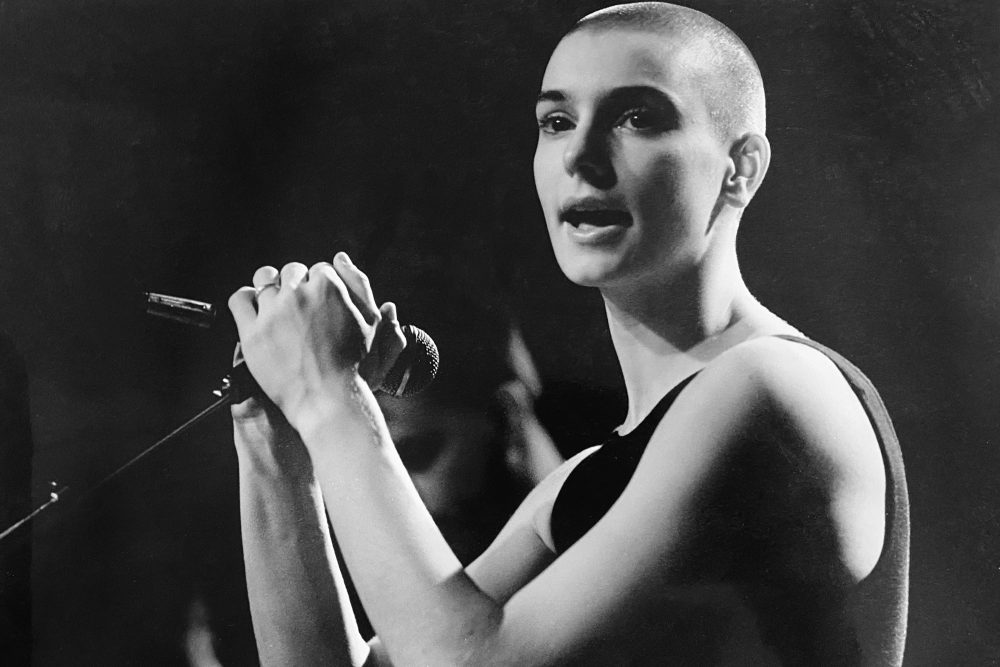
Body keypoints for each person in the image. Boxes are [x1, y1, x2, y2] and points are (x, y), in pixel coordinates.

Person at [227, 2, 909, 664]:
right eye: (557, 120)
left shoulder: (771, 387)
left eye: (638, 116)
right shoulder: (582, 482)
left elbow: (467, 659)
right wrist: (274, 428)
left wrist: (328, 396)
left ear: (742, 167)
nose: (581, 155)